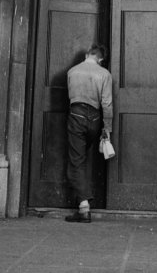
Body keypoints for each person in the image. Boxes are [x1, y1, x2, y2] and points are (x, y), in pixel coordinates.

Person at [65, 44, 113, 223]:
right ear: (100, 59)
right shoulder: (104, 74)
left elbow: (70, 97)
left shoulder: (72, 72)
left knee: (77, 160)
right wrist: (107, 129)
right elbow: (107, 104)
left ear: (87, 55)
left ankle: (83, 206)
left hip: (76, 114)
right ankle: (86, 197)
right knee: (85, 158)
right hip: (94, 118)